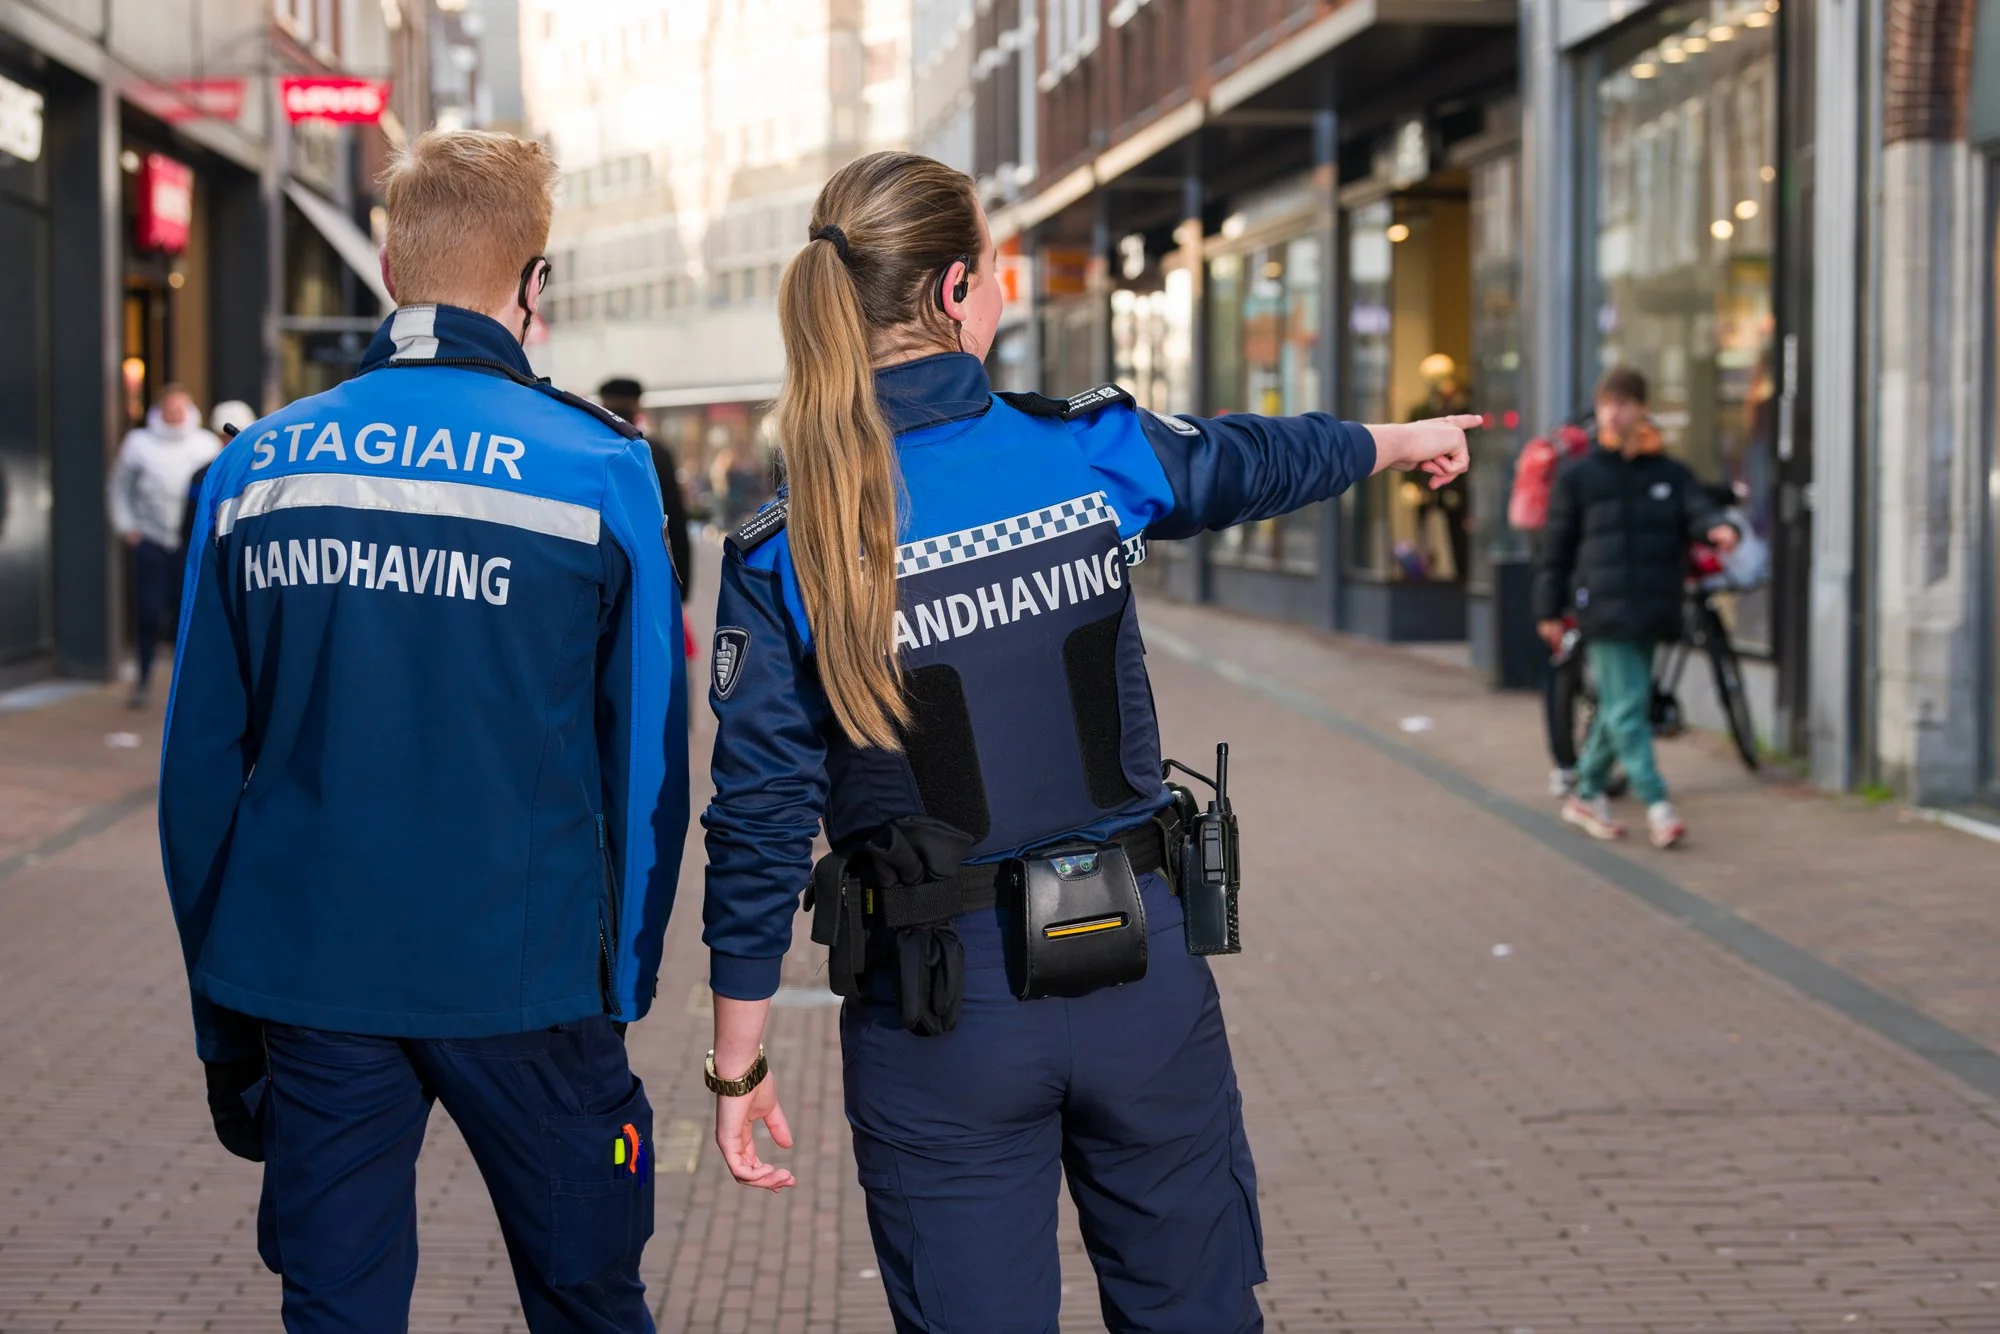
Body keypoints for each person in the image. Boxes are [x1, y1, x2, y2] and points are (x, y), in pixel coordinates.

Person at [699, 150, 1473, 1332]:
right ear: (954, 290)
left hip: (939, 1010)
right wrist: (1397, 439)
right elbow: (1250, 460)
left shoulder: (786, 541)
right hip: (1140, 970)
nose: (1002, 289)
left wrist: (739, 1056)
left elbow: (758, 812)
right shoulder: (1084, 451)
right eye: (995, 267)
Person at [158, 129, 688, 1332]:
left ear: (391, 270)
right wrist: (624, 979)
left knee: (336, 1309)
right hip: (530, 973)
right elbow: (646, 763)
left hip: (309, 974)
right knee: (589, 1299)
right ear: (534, 282)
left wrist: (223, 1020)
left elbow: (195, 773)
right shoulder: (597, 470)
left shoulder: (254, 469)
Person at [1534, 366, 1737, 849]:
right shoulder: (1580, 476)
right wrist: (1548, 609)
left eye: (1623, 403)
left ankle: (1586, 793)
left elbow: (1697, 508)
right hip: (1604, 609)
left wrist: (1717, 527)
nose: (1614, 413)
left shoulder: (1668, 473)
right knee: (1628, 709)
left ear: (1641, 409)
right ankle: (1657, 804)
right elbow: (1555, 548)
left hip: (1653, 606)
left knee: (1619, 706)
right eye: (1607, 403)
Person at [107, 384, 221, 707]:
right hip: (151, 540)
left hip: (191, 545)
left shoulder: (206, 445)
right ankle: (142, 679)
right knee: (148, 612)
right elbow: (119, 487)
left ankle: (189, 686)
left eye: (180, 408)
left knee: (188, 616)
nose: (175, 414)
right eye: (169, 408)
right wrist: (128, 528)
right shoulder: (138, 443)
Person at [596, 377, 692, 605]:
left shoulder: (590, 449)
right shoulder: (653, 453)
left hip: (598, 571)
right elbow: (674, 522)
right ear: (637, 407)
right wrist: (681, 584)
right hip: (646, 572)